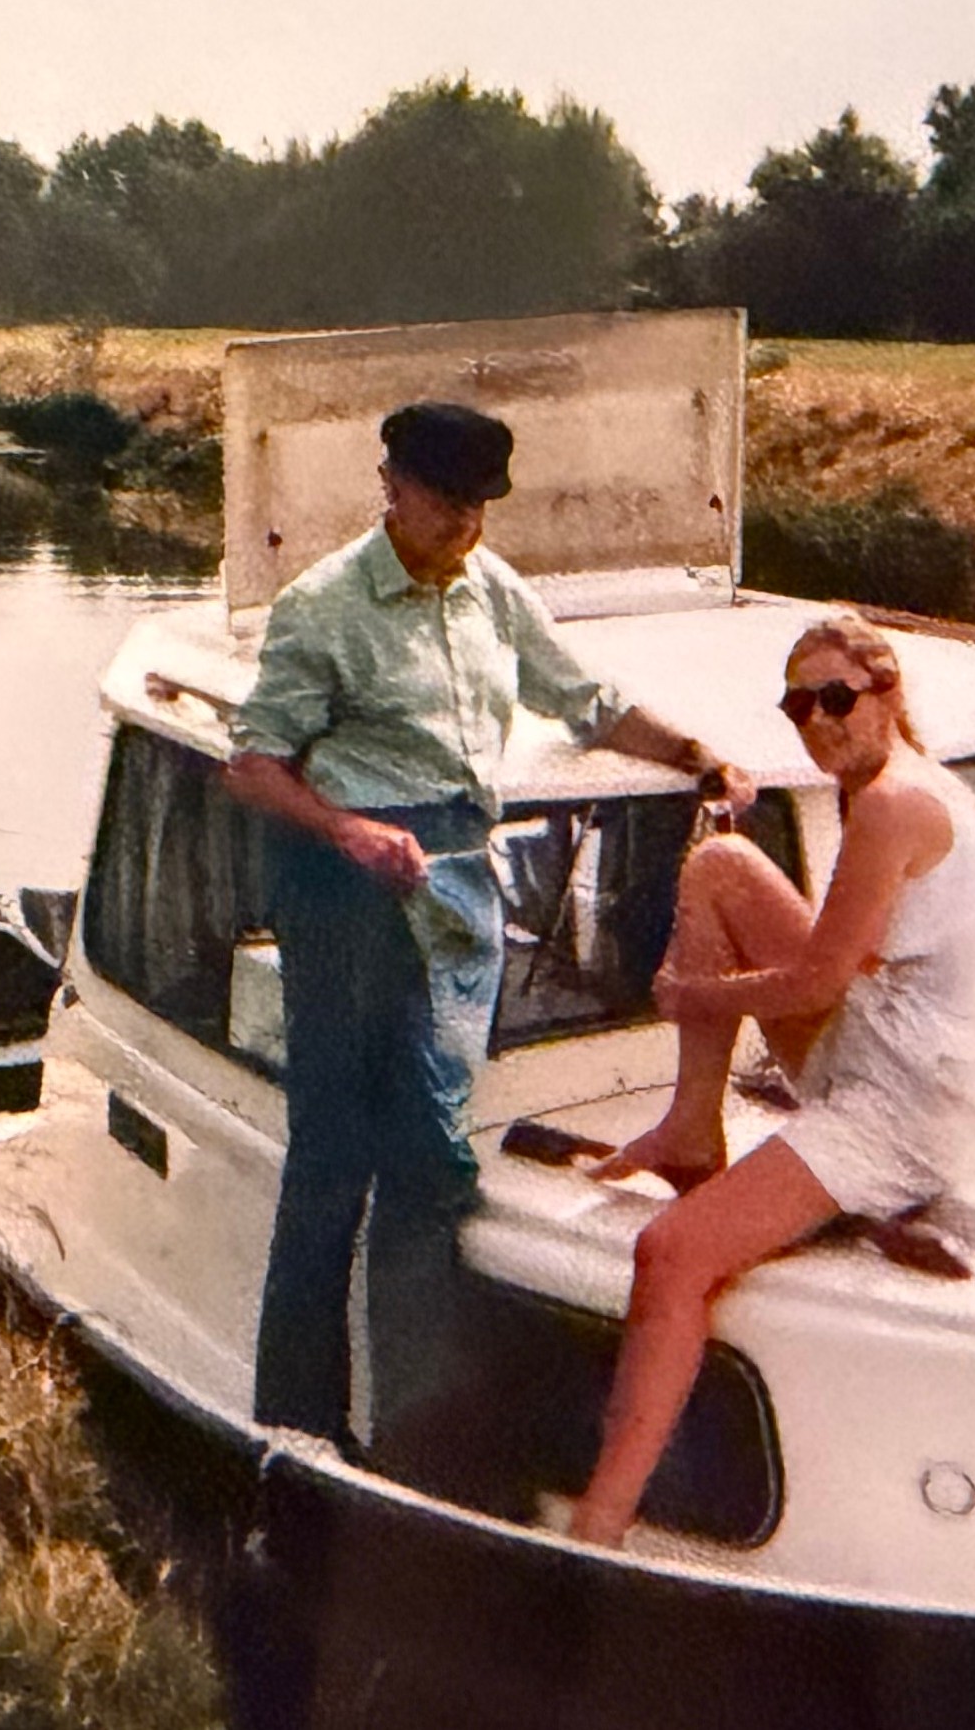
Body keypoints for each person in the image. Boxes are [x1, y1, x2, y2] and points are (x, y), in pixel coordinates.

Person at [225, 400, 751, 1459]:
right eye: (447, 502)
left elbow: (586, 701)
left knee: (429, 1151)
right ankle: (297, 1419)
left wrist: (700, 753)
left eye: (478, 507)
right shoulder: (322, 606)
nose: (465, 524)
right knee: (333, 1152)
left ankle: (413, 1426)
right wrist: (348, 828)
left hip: (462, 882)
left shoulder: (491, 589)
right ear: (391, 485)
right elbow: (250, 762)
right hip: (345, 889)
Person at [569, 612, 975, 1545]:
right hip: (889, 1045)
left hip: (909, 1109)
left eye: (835, 698)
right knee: (723, 865)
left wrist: (693, 992)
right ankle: (693, 1126)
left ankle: (598, 1523)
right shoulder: (886, 789)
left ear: (886, 693)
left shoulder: (896, 802)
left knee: (670, 1253)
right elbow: (842, 972)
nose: (816, 721)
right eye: (796, 705)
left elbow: (818, 978)